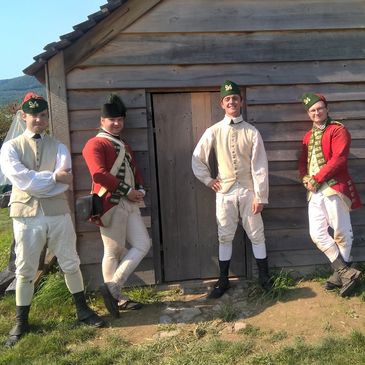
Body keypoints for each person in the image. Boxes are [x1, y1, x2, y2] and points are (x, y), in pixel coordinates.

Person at [0, 92, 104, 347]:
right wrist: (52, 178)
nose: (39, 119)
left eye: (43, 115)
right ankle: (21, 321)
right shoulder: (10, 147)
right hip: (26, 216)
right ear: (24, 116)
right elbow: (22, 180)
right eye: (34, 115)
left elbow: (64, 182)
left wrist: (47, 180)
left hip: (58, 212)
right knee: (25, 269)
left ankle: (82, 310)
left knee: (71, 261)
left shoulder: (59, 146)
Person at [192, 80, 271, 299]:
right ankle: (223, 280)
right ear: (222, 104)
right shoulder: (214, 131)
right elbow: (197, 158)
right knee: (224, 236)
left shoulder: (252, 132)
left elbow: (260, 166)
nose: (231, 102)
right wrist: (208, 180)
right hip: (224, 193)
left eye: (235, 98)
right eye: (227, 99)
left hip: (248, 192)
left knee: (257, 234)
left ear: (241, 102)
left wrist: (260, 196)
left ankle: (264, 278)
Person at [82, 94, 151, 317]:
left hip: (130, 203)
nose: (117, 123)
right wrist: (127, 191)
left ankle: (113, 288)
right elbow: (99, 175)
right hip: (110, 203)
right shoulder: (95, 143)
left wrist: (140, 189)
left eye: (120, 119)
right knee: (113, 251)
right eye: (112, 119)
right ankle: (117, 299)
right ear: (102, 121)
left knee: (142, 243)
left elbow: (134, 171)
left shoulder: (124, 144)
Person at [299, 92, 362, 297]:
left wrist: (317, 178)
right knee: (316, 233)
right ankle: (345, 272)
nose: (316, 113)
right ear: (308, 114)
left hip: (334, 188)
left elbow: (339, 159)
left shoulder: (338, 130)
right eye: (312, 110)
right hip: (315, 192)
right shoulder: (307, 136)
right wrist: (305, 178)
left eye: (319, 109)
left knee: (342, 232)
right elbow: (303, 163)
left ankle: (340, 275)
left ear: (326, 109)